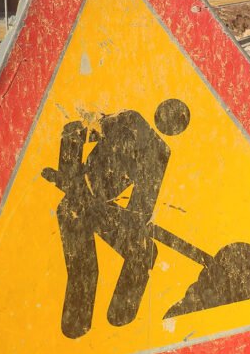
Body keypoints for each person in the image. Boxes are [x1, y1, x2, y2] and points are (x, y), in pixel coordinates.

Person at [41, 98, 190, 338]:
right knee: (85, 269)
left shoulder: (158, 151)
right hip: (74, 206)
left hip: (102, 211)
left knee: (143, 251)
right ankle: (76, 330)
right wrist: (69, 174)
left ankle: (121, 319)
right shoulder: (130, 122)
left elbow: (140, 209)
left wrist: (126, 219)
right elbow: (75, 129)